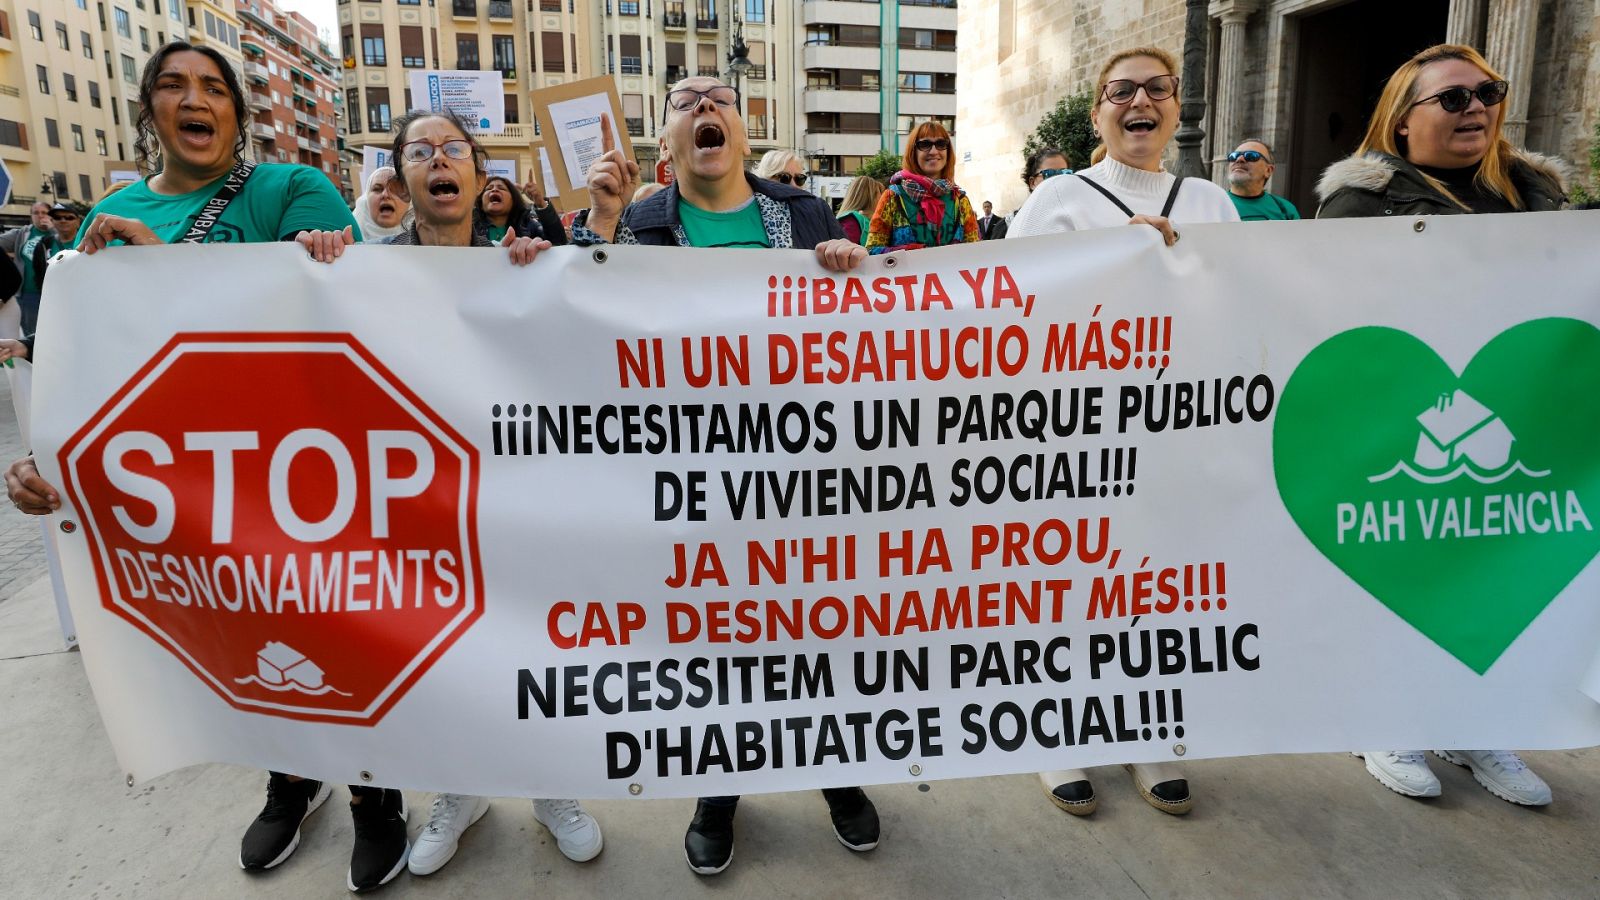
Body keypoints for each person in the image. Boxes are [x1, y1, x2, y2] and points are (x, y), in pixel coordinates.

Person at [0, 40, 434, 893]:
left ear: (236, 111)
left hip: (308, 460)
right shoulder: (107, 217)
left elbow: (332, 317)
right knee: (244, 635)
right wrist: (45, 456)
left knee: (330, 627)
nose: (195, 100)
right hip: (194, 480)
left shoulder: (291, 191)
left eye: (213, 87)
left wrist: (278, 260)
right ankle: (288, 773)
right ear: (149, 111)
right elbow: (91, 370)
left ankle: (372, 794)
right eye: (173, 86)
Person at [570, 77, 876, 875]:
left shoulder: (802, 214)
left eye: (720, 98)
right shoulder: (639, 219)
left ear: (743, 130)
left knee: (815, 629)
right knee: (720, 640)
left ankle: (835, 769)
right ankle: (722, 789)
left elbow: (865, 323)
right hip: (691, 472)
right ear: (665, 146)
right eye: (683, 101)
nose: (704, 107)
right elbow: (576, 321)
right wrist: (598, 224)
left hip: (802, 466)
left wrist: (851, 267)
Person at [298, 108, 603, 879]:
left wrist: (546, 274)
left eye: (455, 149)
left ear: (477, 171)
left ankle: (548, 786)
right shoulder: (358, 269)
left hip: (514, 503)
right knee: (444, 656)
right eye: (421, 150)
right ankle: (460, 792)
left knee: (529, 646)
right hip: (415, 506)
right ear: (398, 174)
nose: (440, 161)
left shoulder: (525, 262)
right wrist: (311, 265)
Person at [1317, 43, 1564, 807]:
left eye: (1487, 92)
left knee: (1487, 572)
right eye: (1453, 99)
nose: (1478, 109)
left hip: (1513, 414)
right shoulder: (1358, 203)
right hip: (1402, 416)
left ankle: (1471, 721)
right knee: (1403, 567)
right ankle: (1381, 716)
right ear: (1401, 122)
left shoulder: (1538, 196)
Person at [1010, 46, 1239, 818]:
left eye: (1157, 89)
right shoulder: (1057, 198)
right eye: (1120, 91)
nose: (1139, 102)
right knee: (1073, 585)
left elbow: (1244, 309)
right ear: (1098, 112)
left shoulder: (1211, 201)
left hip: (1175, 432)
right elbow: (1008, 311)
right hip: (1076, 436)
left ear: (1176, 106)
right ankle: (1058, 734)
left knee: (1157, 586)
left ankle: (1148, 731)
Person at [866, 122, 979, 253]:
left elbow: (975, 252)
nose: (934, 151)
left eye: (941, 144)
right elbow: (871, 251)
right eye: (925, 145)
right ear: (913, 151)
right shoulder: (893, 197)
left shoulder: (960, 200)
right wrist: (912, 252)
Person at [0, 201, 54, 339]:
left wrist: (54, 230)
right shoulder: (22, 233)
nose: (40, 216)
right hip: (28, 294)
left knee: (54, 332)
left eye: (44, 213)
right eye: (36, 213)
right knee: (33, 335)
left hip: (52, 292)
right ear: (31, 216)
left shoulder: (58, 233)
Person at [475, 174, 567, 245]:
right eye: (488, 189)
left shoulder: (529, 226)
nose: (494, 190)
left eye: (501, 188)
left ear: (513, 201)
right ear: (481, 203)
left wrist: (540, 203)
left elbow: (559, 242)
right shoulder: (470, 228)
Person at [1225, 139, 1300, 221]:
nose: (1239, 159)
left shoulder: (1285, 209)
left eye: (1251, 156)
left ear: (1268, 170)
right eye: (1234, 156)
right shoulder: (1215, 203)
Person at [350, 165, 409, 242]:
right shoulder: (346, 240)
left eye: (395, 190)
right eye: (377, 189)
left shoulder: (425, 242)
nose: (385, 194)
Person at [835, 174, 884, 245]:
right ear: (870, 197)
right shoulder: (851, 220)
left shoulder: (851, 218)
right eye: (881, 194)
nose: (883, 200)